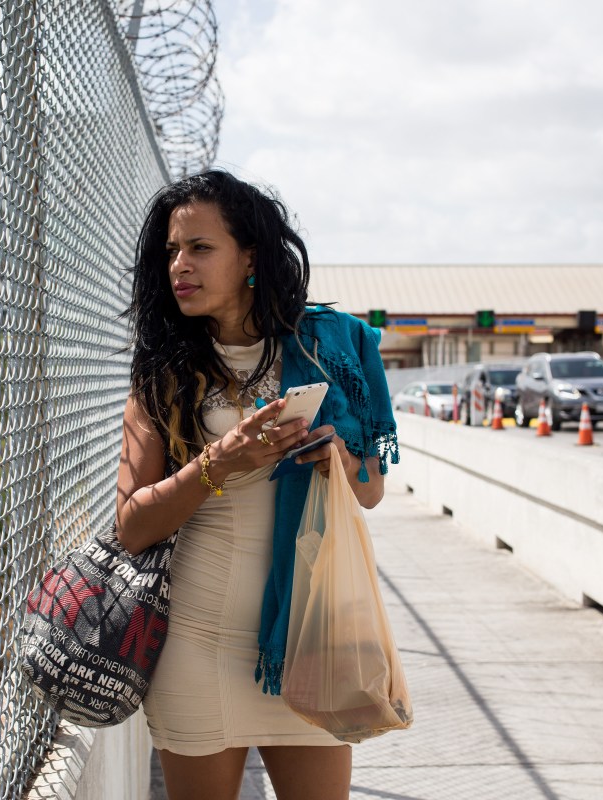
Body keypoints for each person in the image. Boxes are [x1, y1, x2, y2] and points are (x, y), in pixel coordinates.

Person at [116, 170, 399, 800]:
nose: (179, 266)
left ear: (251, 257)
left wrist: (339, 456)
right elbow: (131, 525)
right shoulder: (165, 370)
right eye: (171, 251)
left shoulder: (329, 348)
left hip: (309, 639)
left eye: (200, 247)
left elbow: (372, 489)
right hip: (197, 642)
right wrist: (219, 461)